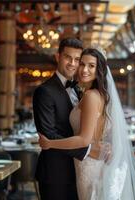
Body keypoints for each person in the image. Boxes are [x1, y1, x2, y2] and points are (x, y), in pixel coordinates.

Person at [39, 47, 135, 200]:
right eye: (82, 64)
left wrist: (50, 143)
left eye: (91, 66)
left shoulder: (90, 96)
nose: (84, 69)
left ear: (99, 69)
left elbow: (84, 140)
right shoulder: (97, 95)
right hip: (90, 161)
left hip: (88, 165)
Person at [33, 38, 91, 200]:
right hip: (55, 173)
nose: (72, 63)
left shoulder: (81, 89)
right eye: (68, 57)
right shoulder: (44, 92)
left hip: (80, 170)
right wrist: (88, 150)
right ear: (58, 57)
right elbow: (49, 135)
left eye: (77, 59)